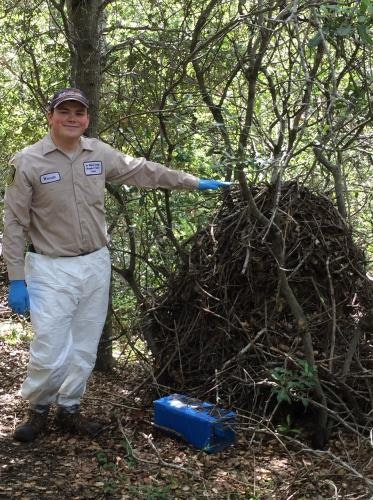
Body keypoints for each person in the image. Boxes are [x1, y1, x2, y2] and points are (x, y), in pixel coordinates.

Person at [3, 87, 230, 443]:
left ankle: (70, 409)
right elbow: (14, 223)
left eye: (79, 113)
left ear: (87, 119)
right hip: (50, 267)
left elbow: (142, 170)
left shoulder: (98, 153)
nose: (72, 119)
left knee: (84, 344)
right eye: (64, 112)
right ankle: (39, 408)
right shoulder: (28, 162)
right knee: (50, 347)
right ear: (50, 116)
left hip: (95, 263)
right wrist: (16, 278)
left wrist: (193, 182)